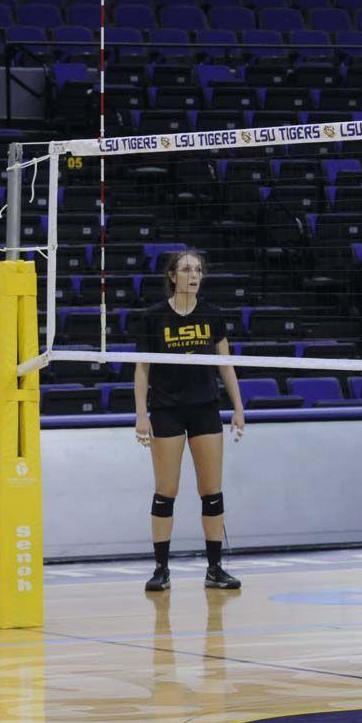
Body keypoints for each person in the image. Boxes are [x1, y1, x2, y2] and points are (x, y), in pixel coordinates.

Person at [134, 250, 245, 591]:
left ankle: (215, 569)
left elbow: (226, 366)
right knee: (166, 491)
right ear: (172, 276)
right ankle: (161, 570)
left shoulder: (213, 315)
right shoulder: (153, 317)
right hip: (166, 409)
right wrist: (141, 414)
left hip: (204, 408)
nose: (193, 274)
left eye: (197, 269)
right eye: (185, 269)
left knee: (211, 491)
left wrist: (238, 408)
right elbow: (141, 368)